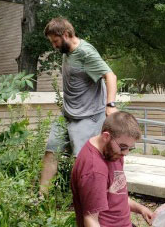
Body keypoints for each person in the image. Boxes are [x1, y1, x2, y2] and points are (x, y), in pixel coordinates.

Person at [39, 17, 118, 196]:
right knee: (51, 152)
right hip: (68, 114)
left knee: (83, 162)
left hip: (88, 115)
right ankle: (41, 198)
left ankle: (89, 203)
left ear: (66, 34)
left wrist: (111, 105)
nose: (54, 46)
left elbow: (110, 76)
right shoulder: (67, 51)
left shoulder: (86, 53)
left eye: (56, 41)